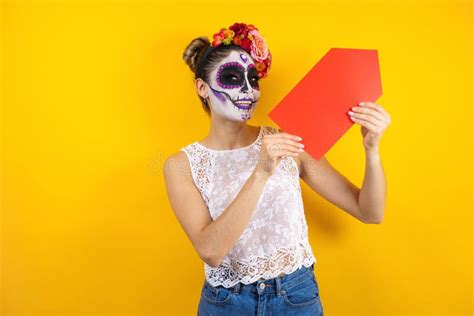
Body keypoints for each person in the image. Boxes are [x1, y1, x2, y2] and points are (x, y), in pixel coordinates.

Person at [163, 22, 391, 316]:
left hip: (295, 297)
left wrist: (371, 150)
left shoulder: (290, 142)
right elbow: (211, 251)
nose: (247, 89)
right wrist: (261, 172)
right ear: (202, 87)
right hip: (227, 304)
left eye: (253, 79)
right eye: (232, 77)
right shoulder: (181, 165)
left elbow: (370, 212)